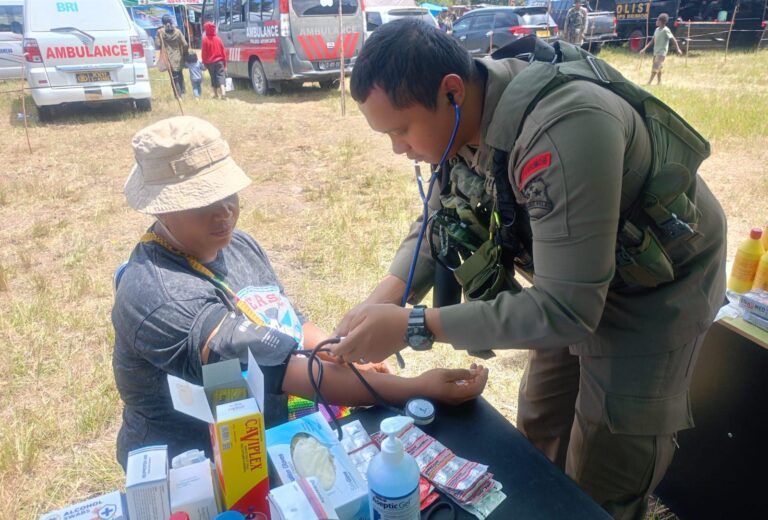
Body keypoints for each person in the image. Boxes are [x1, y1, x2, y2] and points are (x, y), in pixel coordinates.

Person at [331, 19, 726, 519]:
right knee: (542, 416)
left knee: (606, 459)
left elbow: (567, 308)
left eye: (401, 130)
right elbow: (442, 215)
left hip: (655, 284)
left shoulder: (561, 130)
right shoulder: (463, 111)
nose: (398, 148)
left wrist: (415, 324)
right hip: (570, 272)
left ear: (451, 90)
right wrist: (385, 296)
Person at [111, 116, 488, 469]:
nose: (224, 212)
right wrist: (414, 387)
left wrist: (342, 352)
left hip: (258, 441)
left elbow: (286, 321)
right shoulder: (160, 294)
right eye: (204, 203)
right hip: (194, 467)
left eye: (229, 194)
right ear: (164, 210)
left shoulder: (236, 245)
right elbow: (282, 370)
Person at [640, 13, 683, 86]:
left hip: (662, 53)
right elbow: (652, 40)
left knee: (655, 66)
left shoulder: (666, 30)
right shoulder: (656, 30)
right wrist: (644, 49)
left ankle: (649, 82)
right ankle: (659, 82)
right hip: (656, 52)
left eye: (658, 20)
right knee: (658, 67)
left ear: (662, 22)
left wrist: (678, 49)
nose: (656, 21)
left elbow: (673, 39)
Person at [155, 15, 189, 98]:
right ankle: (183, 93)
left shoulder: (161, 32)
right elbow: (185, 44)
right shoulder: (177, 32)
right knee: (180, 75)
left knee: (174, 77)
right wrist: (184, 53)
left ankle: (178, 95)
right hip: (178, 57)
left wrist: (157, 36)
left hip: (168, 58)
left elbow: (158, 44)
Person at [202, 21, 228, 100]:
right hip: (219, 61)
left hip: (210, 63)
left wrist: (204, 63)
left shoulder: (205, 40)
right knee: (221, 76)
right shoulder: (218, 39)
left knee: (213, 77)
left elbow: (204, 53)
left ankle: (216, 94)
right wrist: (225, 64)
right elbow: (223, 52)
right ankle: (223, 92)